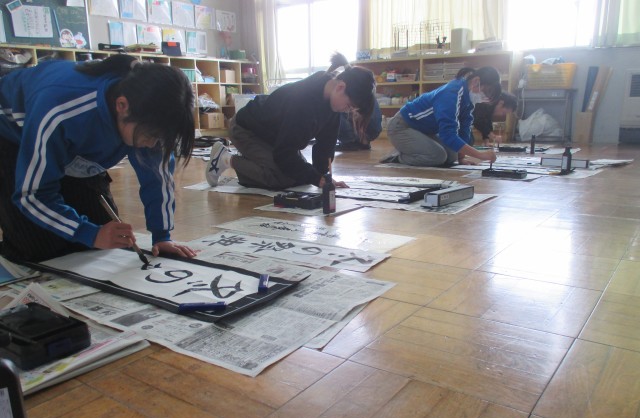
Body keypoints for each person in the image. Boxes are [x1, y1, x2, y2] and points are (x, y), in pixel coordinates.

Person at [0, 54, 197, 262]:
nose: (152, 144)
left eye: (160, 139)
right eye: (151, 136)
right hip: (13, 135)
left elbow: (158, 178)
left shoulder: (151, 118)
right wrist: (90, 233)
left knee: (105, 239)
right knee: (39, 248)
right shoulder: (60, 108)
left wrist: (162, 235)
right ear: (122, 106)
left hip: (73, 149)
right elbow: (31, 195)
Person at [204, 52, 376, 189]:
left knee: (299, 176)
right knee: (281, 178)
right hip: (246, 129)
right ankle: (226, 158)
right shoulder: (304, 101)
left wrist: (324, 178)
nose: (347, 111)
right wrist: (315, 178)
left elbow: (325, 146)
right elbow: (284, 154)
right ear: (340, 87)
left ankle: (255, 161)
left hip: (274, 136)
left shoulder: (332, 103)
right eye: (349, 106)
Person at [385, 66, 502, 167]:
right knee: (437, 156)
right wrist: (480, 155)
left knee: (452, 156)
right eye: (486, 92)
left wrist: (461, 158)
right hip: (402, 127)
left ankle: (416, 148)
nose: (483, 98)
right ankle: (399, 156)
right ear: (476, 81)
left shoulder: (468, 99)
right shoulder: (452, 93)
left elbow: (464, 129)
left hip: (423, 131)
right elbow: (448, 134)